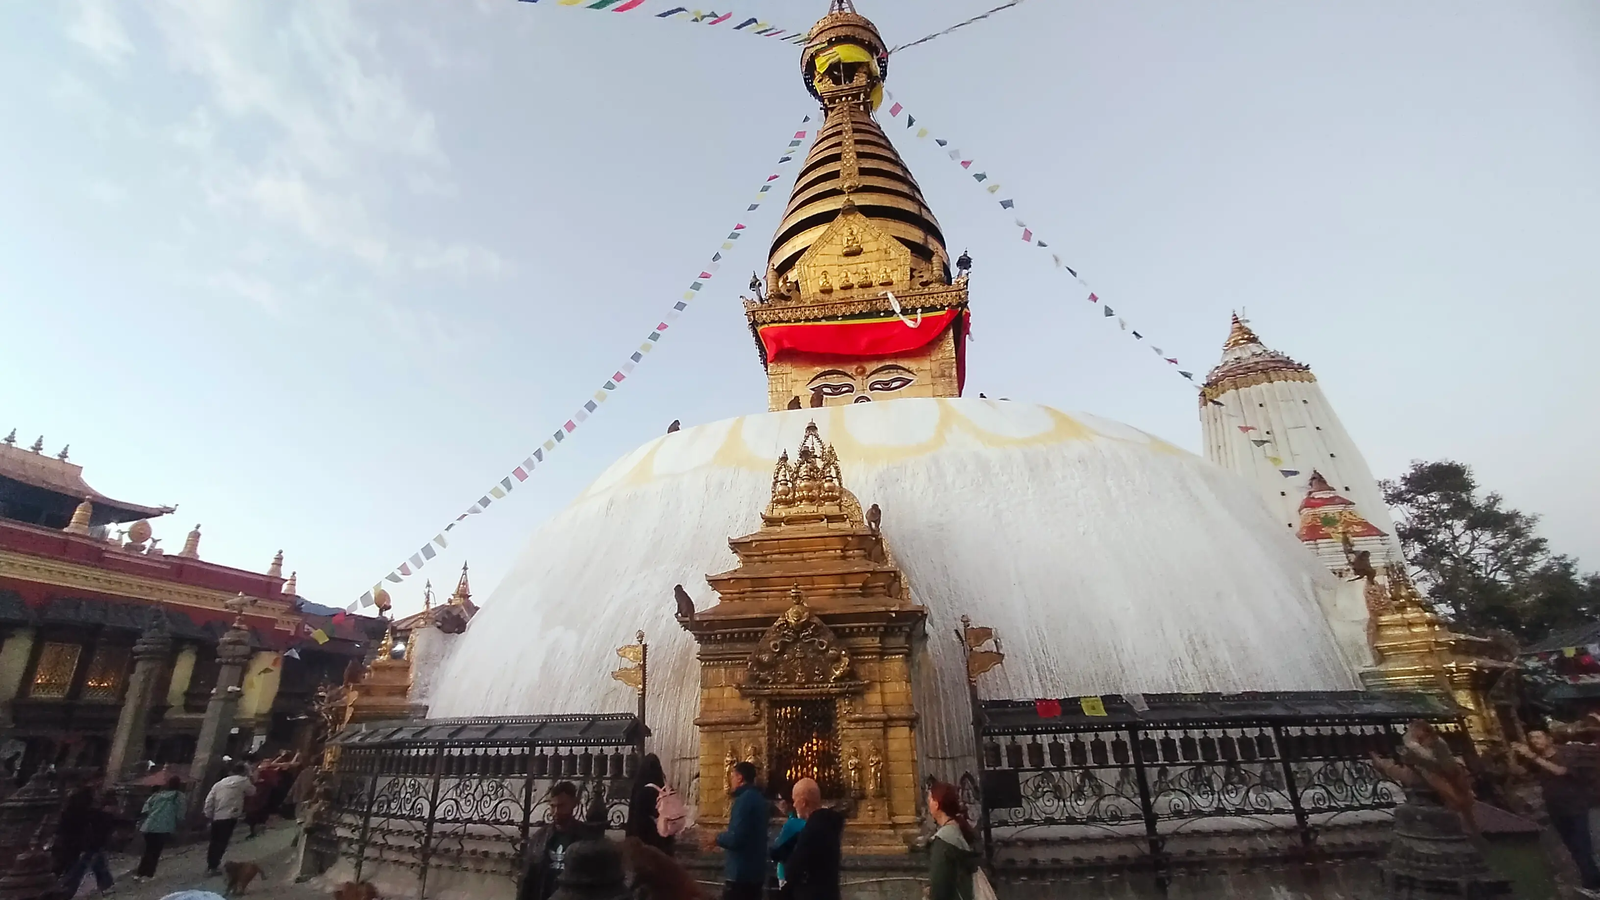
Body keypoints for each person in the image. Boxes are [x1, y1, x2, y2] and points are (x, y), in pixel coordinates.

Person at [1514, 730, 1600, 895]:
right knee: (1573, 848)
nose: (1534, 741)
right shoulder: (1536, 761)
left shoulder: (1565, 753)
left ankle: (1592, 882)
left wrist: (1532, 756)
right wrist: (1513, 756)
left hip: (1575, 806)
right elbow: (1519, 773)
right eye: (1531, 738)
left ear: (1549, 739)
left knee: (1583, 846)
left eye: (1538, 737)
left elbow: (1560, 771)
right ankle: (1591, 880)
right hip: (1556, 809)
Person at [520, 781, 603, 900]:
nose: (556, 812)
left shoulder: (587, 838)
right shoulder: (539, 838)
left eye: (561, 806)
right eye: (553, 806)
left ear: (574, 804)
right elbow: (528, 879)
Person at [703, 762, 767, 900]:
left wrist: (716, 838)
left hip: (740, 874)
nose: (730, 779)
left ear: (740, 777)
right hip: (757, 872)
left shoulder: (743, 800)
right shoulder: (759, 798)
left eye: (732, 775)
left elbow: (736, 838)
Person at [770, 778, 842, 900]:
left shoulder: (812, 829)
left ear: (803, 802)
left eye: (794, 801)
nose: (793, 805)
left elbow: (795, 868)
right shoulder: (829, 824)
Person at [59, 790, 128, 898]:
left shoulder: (83, 813)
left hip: (87, 845)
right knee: (80, 868)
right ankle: (67, 891)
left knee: (93, 864)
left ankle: (106, 885)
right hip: (89, 845)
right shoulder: (95, 815)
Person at [926, 782, 981, 900]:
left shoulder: (944, 840)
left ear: (936, 804)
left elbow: (940, 888)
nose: (928, 803)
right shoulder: (958, 829)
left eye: (930, 799)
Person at [203, 762, 256, 876]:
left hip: (217, 815)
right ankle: (214, 865)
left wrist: (209, 815)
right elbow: (252, 792)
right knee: (222, 841)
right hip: (231, 815)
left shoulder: (219, 784)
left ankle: (211, 864)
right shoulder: (243, 781)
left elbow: (209, 800)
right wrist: (251, 777)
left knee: (214, 841)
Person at [136, 776, 187, 879]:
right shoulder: (178, 796)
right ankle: (148, 874)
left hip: (149, 825)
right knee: (155, 851)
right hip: (164, 827)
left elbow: (145, 809)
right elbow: (180, 812)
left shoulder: (156, 795)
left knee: (148, 850)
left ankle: (140, 873)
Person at [626, 754, 675, 856]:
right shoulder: (666, 791)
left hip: (643, 845)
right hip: (662, 846)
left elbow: (634, 819)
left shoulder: (639, 790)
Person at [770, 795, 804, 898]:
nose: (779, 804)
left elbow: (777, 848)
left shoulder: (792, 823)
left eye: (781, 800)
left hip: (786, 872)